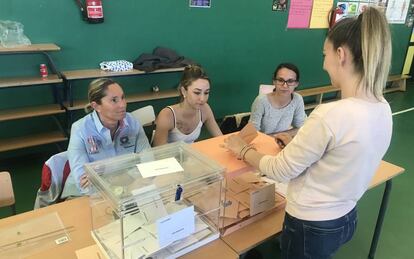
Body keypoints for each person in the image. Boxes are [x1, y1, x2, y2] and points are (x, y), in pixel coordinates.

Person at [225, 7, 392, 258]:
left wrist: (242, 148)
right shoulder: (382, 106)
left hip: (311, 225)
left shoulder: (331, 114)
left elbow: (281, 169)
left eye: (324, 54)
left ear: (340, 54)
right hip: (346, 217)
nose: (324, 64)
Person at [62, 78, 151, 198]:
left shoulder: (133, 123)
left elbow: (149, 162)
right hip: (85, 196)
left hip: (129, 189)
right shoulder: (80, 129)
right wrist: (123, 181)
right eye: (114, 100)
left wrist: (113, 181)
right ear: (96, 106)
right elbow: (84, 185)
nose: (122, 104)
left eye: (123, 97)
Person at [152, 65, 222, 146]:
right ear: (184, 91)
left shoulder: (205, 109)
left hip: (190, 155)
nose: (202, 99)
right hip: (169, 157)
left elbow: (220, 138)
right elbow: (158, 152)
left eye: (206, 93)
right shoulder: (167, 115)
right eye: (197, 92)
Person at [249, 63, 306, 135]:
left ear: (296, 83)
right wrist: (275, 138)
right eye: (280, 80)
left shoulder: (297, 99)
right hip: (263, 142)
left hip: (282, 141)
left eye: (290, 81)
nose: (285, 86)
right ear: (274, 82)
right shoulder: (261, 101)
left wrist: (279, 137)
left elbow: (301, 127)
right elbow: (252, 133)